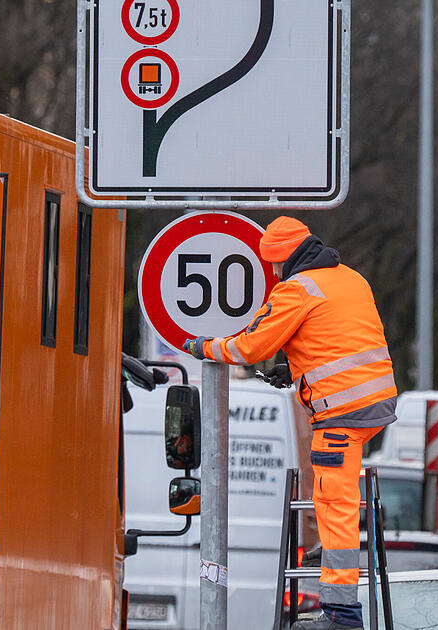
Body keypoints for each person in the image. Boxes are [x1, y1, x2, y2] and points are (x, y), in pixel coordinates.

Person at [183, 216, 397, 630]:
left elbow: (250, 345)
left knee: (335, 503)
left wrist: (203, 346)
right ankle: (331, 551)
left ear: (281, 260)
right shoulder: (351, 278)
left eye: (274, 265)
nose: (275, 273)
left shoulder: (295, 290)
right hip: (374, 404)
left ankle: (341, 614)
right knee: (332, 493)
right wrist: (294, 368)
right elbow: (336, 337)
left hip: (341, 413)